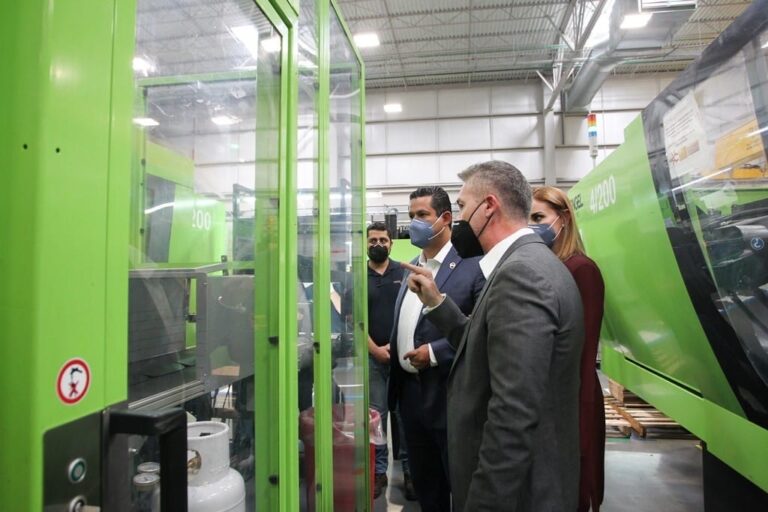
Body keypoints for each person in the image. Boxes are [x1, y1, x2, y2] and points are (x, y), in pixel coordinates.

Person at [402, 161, 584, 512]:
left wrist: (483, 503)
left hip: (519, 495)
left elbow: (513, 413)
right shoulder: (526, 263)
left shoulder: (521, 275)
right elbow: (485, 345)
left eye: (462, 206)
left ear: (489, 206)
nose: (458, 219)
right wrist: (437, 303)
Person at [388, 187, 485, 512]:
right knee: (426, 485)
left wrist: (432, 353)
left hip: (448, 395)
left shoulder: (473, 267)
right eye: (411, 215)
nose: (414, 222)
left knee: (459, 483)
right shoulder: (413, 266)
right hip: (410, 396)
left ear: (445, 219)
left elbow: (479, 329)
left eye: (422, 215)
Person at [531, 186, 606, 512]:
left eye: (539, 217)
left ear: (562, 219)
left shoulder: (581, 270)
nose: (532, 225)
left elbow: (583, 355)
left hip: (575, 402)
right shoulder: (550, 266)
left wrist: (581, 426)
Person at [365, 222, 409, 499]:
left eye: (383, 240)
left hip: (403, 356)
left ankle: (410, 472)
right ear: (366, 244)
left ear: (391, 244)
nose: (378, 244)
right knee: (376, 418)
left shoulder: (403, 273)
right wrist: (375, 350)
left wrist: (396, 345)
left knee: (405, 416)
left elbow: (412, 311)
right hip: (373, 359)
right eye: (373, 240)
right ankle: (378, 472)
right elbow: (354, 322)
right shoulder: (358, 278)